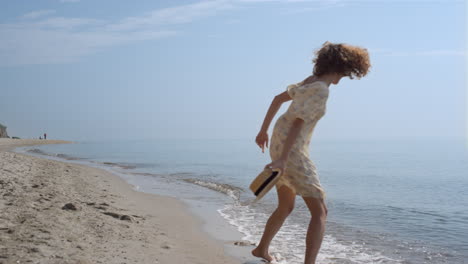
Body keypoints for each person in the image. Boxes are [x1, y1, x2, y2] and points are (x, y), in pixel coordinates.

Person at [253, 41, 371, 264]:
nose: (343, 79)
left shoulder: (310, 82)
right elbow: (298, 123)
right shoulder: (320, 90)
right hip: (291, 149)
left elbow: (277, 99)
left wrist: (262, 131)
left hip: (280, 141)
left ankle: (261, 249)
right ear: (342, 67)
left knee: (286, 205)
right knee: (320, 211)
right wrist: (283, 159)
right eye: (345, 74)